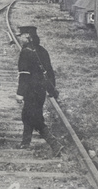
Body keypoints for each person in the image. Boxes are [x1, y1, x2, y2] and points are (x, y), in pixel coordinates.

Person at [15, 26, 63, 157]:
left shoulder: (25, 52)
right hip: (41, 90)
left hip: (31, 90)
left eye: (22, 36)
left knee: (34, 117)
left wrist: (20, 93)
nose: (20, 38)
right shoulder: (42, 50)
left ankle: (54, 144)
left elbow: (24, 75)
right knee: (27, 114)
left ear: (28, 37)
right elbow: (50, 72)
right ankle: (25, 142)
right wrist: (51, 88)